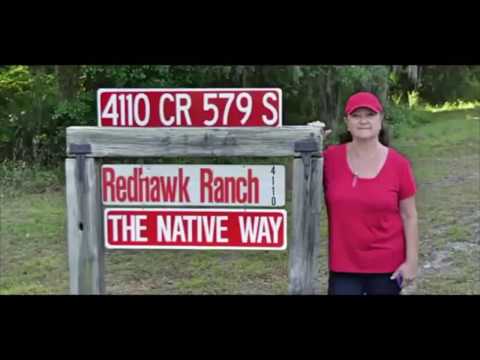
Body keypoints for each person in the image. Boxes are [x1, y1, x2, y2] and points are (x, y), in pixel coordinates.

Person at [322, 91, 419, 295]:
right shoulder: (330, 159)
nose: (363, 121)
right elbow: (302, 169)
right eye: (356, 116)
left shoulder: (398, 164)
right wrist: (312, 139)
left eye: (370, 115)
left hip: (387, 267)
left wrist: (411, 262)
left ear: (380, 119)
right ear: (347, 122)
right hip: (343, 267)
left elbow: (409, 215)